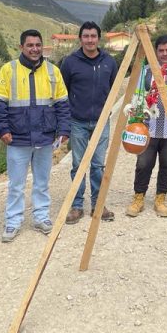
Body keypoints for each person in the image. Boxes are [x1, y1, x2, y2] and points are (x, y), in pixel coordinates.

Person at [0, 29, 70, 242]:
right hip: (17, 138)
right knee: (16, 184)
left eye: (38, 45)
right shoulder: (8, 70)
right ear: (21, 47)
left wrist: (64, 130)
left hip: (45, 137)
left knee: (42, 182)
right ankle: (13, 221)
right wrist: (3, 130)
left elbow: (62, 103)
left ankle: (41, 217)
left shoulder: (53, 71)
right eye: (30, 45)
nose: (35, 49)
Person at [126, 34, 167, 218]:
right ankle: (138, 197)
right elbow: (137, 99)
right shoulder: (146, 72)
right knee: (143, 164)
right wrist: (134, 123)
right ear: (155, 52)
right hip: (147, 129)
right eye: (161, 50)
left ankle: (160, 198)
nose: (165, 54)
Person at [60, 21, 118, 224]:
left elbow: (113, 88)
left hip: (102, 122)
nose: (90, 40)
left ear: (98, 38)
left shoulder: (109, 62)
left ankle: (97, 204)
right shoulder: (70, 62)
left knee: (98, 165)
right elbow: (63, 91)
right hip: (78, 122)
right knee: (78, 165)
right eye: (86, 36)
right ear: (80, 39)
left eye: (93, 36)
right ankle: (77, 206)